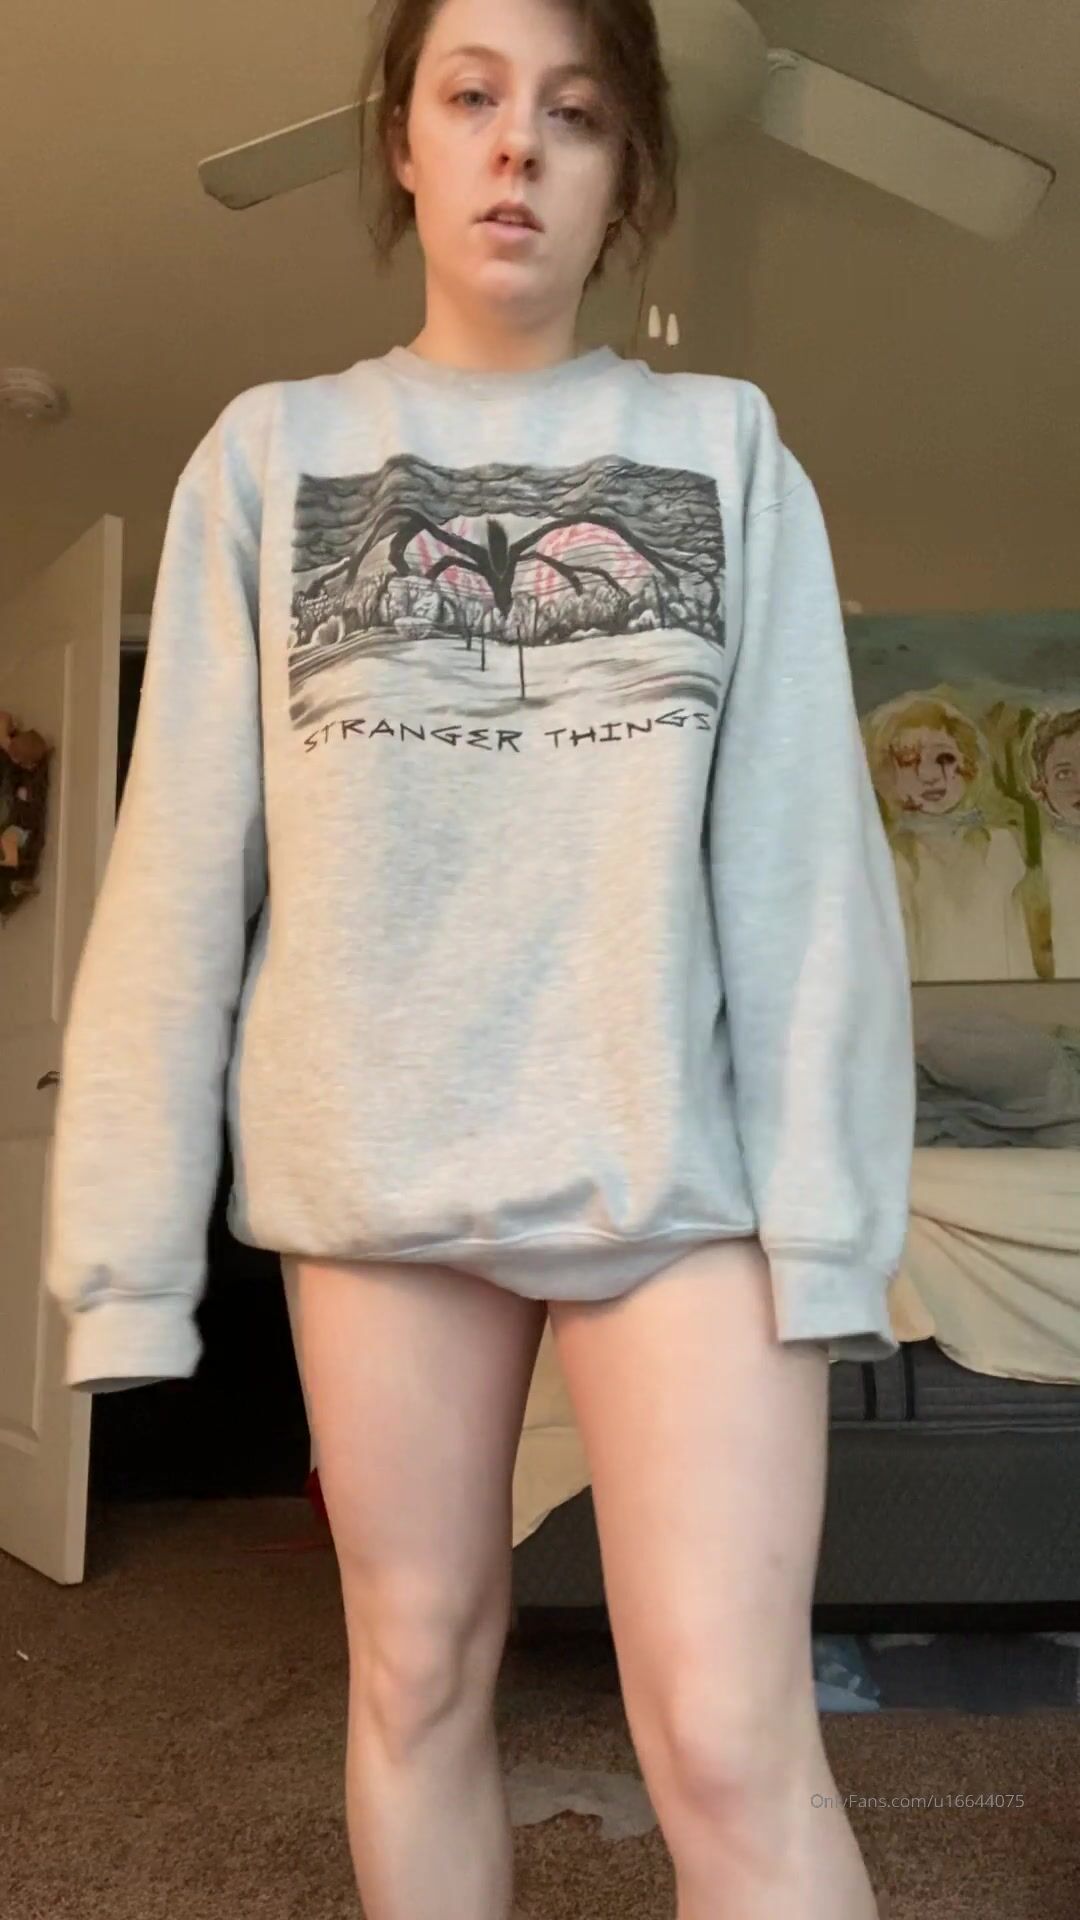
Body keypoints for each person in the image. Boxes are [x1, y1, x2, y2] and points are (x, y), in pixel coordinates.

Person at [44, 1, 914, 1916]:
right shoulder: (273, 457)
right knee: (419, 1671)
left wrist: (835, 1223)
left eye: (577, 113)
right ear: (404, 141)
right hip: (379, 1174)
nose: (521, 144)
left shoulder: (720, 447)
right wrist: (123, 1263)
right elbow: (177, 872)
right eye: (474, 95)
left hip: (675, 1177)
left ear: (626, 175)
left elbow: (802, 865)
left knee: (730, 1733)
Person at [862, 691, 1036, 981]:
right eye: (908, 761)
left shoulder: (1001, 846)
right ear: (887, 776)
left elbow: (1017, 944)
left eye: (944, 759)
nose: (929, 775)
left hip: (1002, 997)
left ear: (968, 763)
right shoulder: (896, 858)